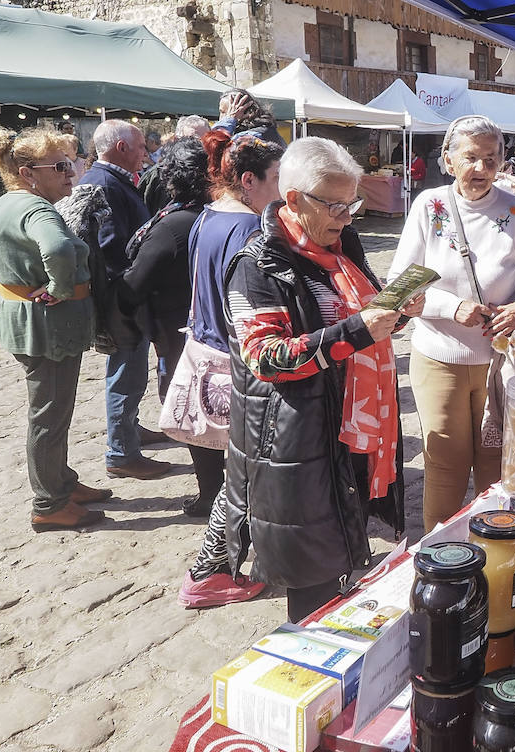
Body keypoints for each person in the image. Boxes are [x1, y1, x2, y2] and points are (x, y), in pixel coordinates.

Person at [226, 137, 420, 622]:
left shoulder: (339, 244)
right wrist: (356, 331)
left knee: (348, 558)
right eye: (336, 205)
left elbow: (364, 317)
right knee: (313, 585)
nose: (349, 217)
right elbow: (266, 358)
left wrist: (396, 315)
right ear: (293, 200)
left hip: (349, 428)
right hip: (299, 443)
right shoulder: (257, 265)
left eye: (352, 202)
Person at [388, 115, 515, 532]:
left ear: (503, 161)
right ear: (448, 160)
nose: (481, 169)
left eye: (490, 158)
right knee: (445, 470)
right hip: (439, 360)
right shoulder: (428, 207)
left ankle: (493, 559)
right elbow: (399, 287)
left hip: (500, 368)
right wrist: (451, 308)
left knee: (496, 471)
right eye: (470, 158)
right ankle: (439, 559)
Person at [0, 126, 110, 530]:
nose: (70, 173)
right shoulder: (36, 209)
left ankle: (61, 483)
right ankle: (49, 505)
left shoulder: (8, 203)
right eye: (59, 166)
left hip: (31, 323)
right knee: (49, 416)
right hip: (46, 327)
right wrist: (59, 286)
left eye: (69, 164)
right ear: (29, 172)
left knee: (53, 412)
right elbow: (56, 247)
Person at [176, 128, 283, 608]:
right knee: (244, 475)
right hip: (238, 361)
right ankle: (209, 570)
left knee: (242, 473)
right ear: (249, 179)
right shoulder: (246, 227)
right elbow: (243, 305)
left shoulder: (210, 214)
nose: (283, 188)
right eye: (277, 178)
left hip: (210, 349)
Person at [117, 139, 222, 520]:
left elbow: (135, 283)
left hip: (180, 334)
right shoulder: (220, 215)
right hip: (208, 327)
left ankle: (212, 495)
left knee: (197, 418)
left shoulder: (176, 224)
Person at [78, 120, 172, 480]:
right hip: (122, 294)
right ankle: (121, 452)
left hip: (124, 291)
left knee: (131, 370)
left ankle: (129, 433)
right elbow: (110, 248)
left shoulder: (109, 180)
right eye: (140, 148)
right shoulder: (104, 183)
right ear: (121, 148)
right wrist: (136, 282)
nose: (144, 154)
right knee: (126, 372)